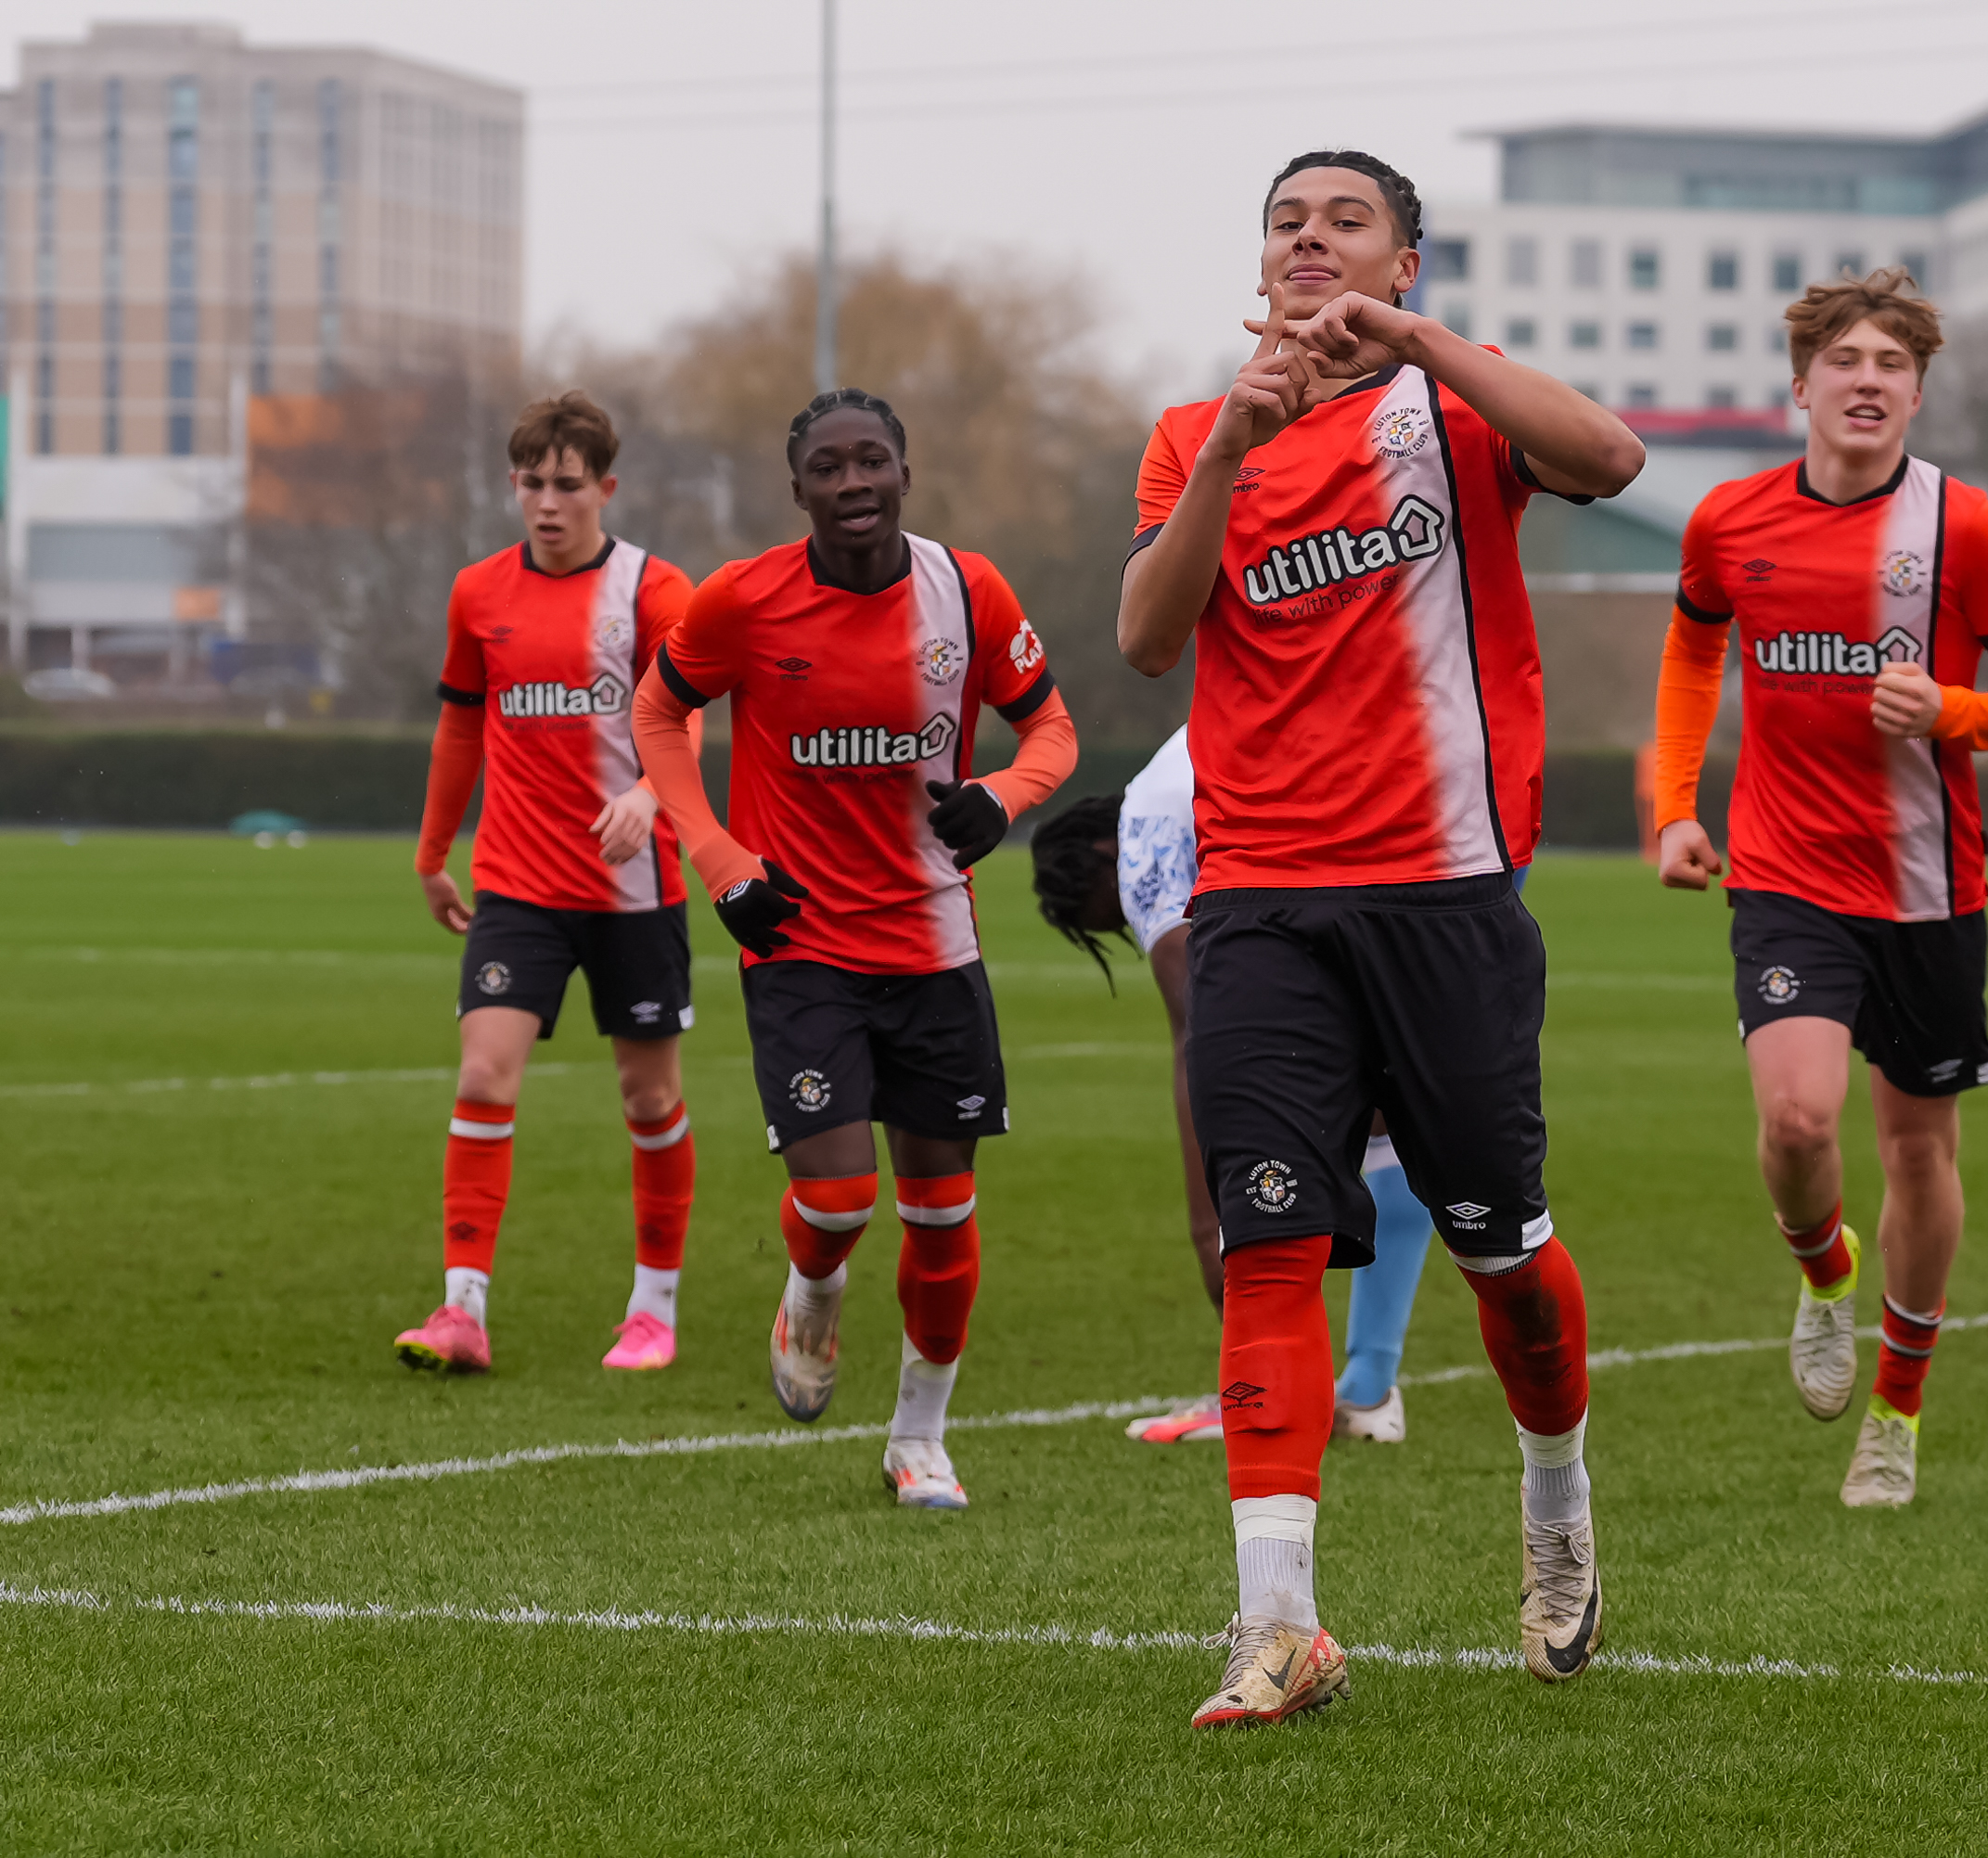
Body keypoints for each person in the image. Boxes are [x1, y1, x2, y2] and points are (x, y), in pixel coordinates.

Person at [1117, 148, 1645, 1725]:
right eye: (1287, 222)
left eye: (1347, 222)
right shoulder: (1192, 434)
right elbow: (1149, 637)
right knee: (1270, 1234)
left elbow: (1611, 456)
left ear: (1403, 262)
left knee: (1503, 1249)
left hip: (1444, 895)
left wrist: (1418, 349)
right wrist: (1232, 443)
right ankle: (1277, 1621)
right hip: (1263, 899)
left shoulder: (1452, 405)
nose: (1310, 241)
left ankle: (1558, 1511)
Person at [1649, 269, 1988, 1509]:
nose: (1870, 381)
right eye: (1847, 361)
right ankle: (1822, 1272)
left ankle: (1897, 1406)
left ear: (1918, 394)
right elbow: (1691, 648)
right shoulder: (1729, 520)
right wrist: (1676, 808)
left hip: (1932, 889)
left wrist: (1959, 709)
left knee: (1918, 1147)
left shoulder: (1968, 528)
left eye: (1894, 365)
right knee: (1796, 1121)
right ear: (1803, 385)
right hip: (1786, 873)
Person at [631, 388, 1077, 1510]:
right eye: (828, 467)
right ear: (800, 491)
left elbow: (1052, 729)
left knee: (941, 1211)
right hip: (801, 942)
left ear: (905, 473)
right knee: (836, 1199)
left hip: (935, 944)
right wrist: (719, 857)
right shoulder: (743, 599)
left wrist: (1004, 792)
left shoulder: (969, 591)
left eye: (871, 460)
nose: (853, 482)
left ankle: (919, 1436)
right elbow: (654, 714)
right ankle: (812, 1296)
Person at [397, 391, 700, 1377]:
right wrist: (434, 851)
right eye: (532, 483)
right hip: (518, 884)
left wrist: (654, 793)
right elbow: (457, 726)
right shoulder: (478, 593)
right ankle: (461, 1309)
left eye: (568, 484)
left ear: (606, 487)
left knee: (648, 1095)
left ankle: (653, 1309)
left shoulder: (657, 593)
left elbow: (688, 720)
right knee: (483, 1073)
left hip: (634, 889)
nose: (548, 502)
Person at [1028, 733, 1440, 1450]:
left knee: (1389, 1099)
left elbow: (1202, 1020)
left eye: (1112, 914)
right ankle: (1370, 1385)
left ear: (1103, 858)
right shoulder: (1174, 783)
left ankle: (1277, 1381)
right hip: (1448, 787)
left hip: (1384, 798)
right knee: (1398, 1102)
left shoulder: (1143, 828)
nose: (1133, 918)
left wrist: (1209, 1232)